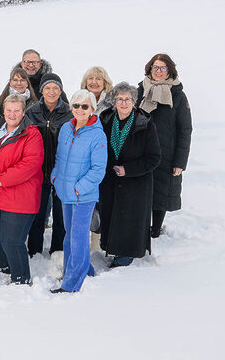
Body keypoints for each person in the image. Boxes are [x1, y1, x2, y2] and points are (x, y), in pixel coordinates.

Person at [0, 96, 44, 284]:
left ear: (23, 112)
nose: (12, 114)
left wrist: (1, 179)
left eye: (16, 111)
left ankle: (21, 279)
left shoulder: (31, 134)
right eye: (9, 110)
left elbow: (30, 164)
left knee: (12, 240)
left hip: (19, 195)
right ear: (3, 111)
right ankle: (4, 270)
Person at [99, 82, 161, 267]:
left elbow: (154, 157)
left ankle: (125, 255)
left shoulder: (145, 123)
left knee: (130, 219)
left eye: (128, 99)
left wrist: (129, 169)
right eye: (120, 99)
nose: (123, 103)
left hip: (136, 183)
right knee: (111, 216)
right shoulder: (106, 120)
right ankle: (112, 249)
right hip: (110, 180)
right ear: (114, 101)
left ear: (134, 102)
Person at [50, 90, 106, 293]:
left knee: (78, 237)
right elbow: (59, 158)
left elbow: (98, 170)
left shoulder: (97, 134)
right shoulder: (66, 128)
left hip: (84, 195)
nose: (80, 110)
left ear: (92, 109)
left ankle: (72, 283)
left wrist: (78, 188)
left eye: (85, 106)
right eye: (76, 105)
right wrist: (55, 179)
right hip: (65, 193)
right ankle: (82, 270)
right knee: (69, 235)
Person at [137, 53, 192, 238]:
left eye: (162, 68)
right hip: (141, 150)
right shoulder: (139, 90)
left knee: (161, 192)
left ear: (169, 70)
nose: (158, 71)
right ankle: (141, 227)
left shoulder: (178, 95)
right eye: (155, 67)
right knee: (141, 191)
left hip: (166, 152)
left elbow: (185, 130)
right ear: (149, 69)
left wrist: (180, 162)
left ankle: (155, 229)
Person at [25, 72, 73, 258]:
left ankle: (58, 251)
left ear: (61, 90)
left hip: (62, 172)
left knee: (61, 215)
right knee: (37, 213)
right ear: (41, 90)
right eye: (47, 88)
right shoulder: (32, 112)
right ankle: (34, 250)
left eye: (55, 88)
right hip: (38, 172)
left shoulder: (69, 113)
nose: (51, 92)